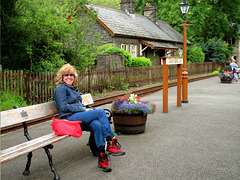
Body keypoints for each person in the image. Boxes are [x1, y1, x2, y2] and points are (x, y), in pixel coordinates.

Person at [54, 63, 125, 172]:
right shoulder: (60, 88)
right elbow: (63, 107)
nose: (69, 77)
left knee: (96, 124)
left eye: (71, 75)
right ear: (61, 77)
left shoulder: (72, 88)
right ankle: (110, 141)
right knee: (101, 113)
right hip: (68, 118)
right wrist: (83, 109)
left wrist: (83, 109)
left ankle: (101, 155)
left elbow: (77, 104)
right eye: (66, 75)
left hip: (76, 115)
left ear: (74, 76)